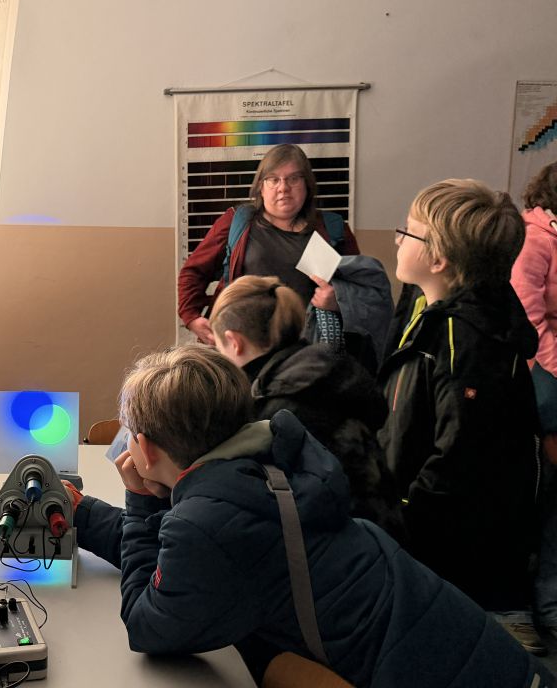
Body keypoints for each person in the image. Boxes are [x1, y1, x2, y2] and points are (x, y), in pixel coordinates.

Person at [115, 344, 550, 687]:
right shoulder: (274, 467)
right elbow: (184, 560)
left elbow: (147, 625)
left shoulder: (205, 526)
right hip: (491, 663)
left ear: (146, 449)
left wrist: (139, 499)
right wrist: (88, 512)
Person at [378, 179, 542, 651]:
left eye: (408, 231)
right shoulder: (421, 305)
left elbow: (458, 457)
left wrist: (402, 516)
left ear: (439, 260)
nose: (397, 239)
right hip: (414, 519)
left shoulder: (468, 341)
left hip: (440, 543)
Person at [209, 274, 404, 539]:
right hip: (384, 536)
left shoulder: (280, 410)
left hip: (342, 547)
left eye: (219, 347)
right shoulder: (326, 372)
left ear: (234, 342)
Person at [177, 143, 359, 345]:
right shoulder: (236, 222)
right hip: (240, 347)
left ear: (307, 185)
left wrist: (339, 302)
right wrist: (191, 316)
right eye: (273, 179)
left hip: (307, 352)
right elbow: (193, 272)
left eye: (293, 178)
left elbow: (362, 291)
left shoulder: (332, 230)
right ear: (261, 188)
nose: (283, 188)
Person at [511, 163, 557, 638]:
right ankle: (545, 602)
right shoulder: (534, 237)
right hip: (544, 368)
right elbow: (531, 322)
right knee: (548, 493)